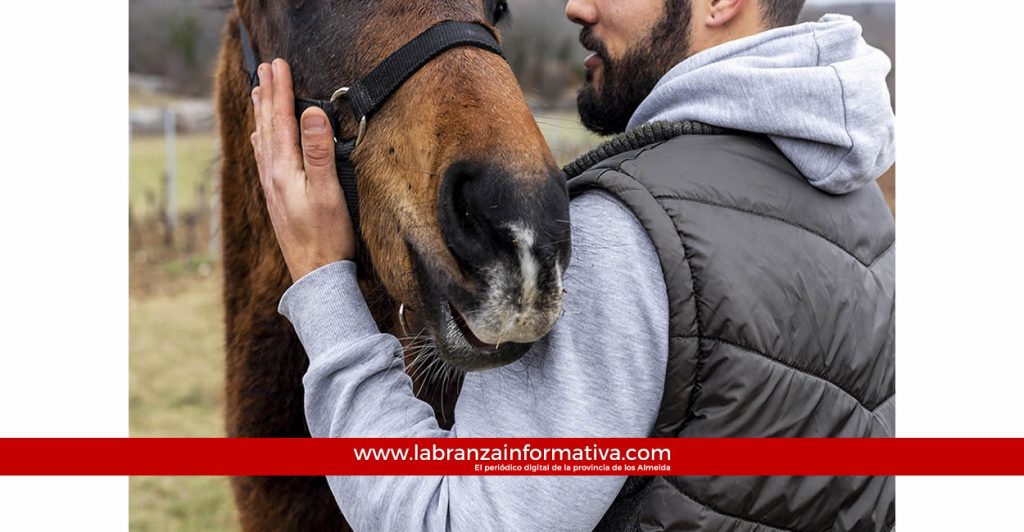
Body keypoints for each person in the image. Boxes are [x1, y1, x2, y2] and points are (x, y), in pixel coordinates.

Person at [249, 0, 895, 529]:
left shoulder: (629, 234)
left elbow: (447, 519)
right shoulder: (859, 204)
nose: (575, 7)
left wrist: (322, 282)